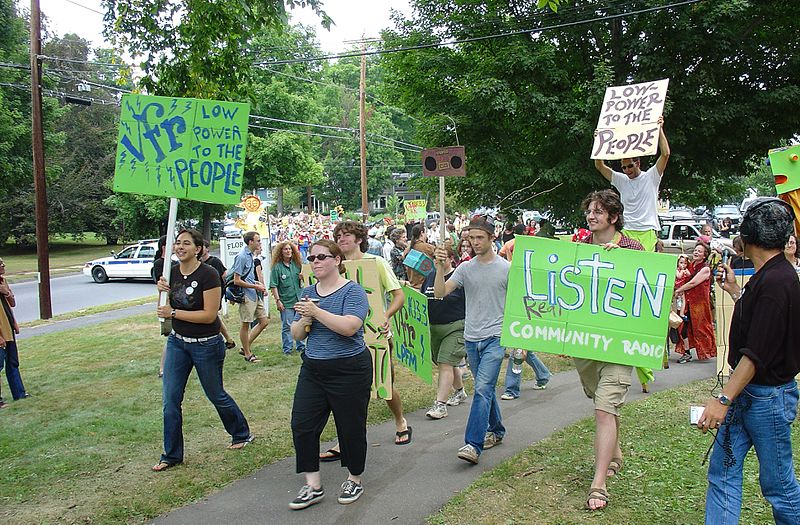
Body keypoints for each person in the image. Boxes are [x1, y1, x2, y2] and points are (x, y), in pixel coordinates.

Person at [700, 198, 800, 524]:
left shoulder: (778, 282)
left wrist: (723, 400)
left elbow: (755, 355)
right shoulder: (767, 276)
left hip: (766, 399)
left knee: (778, 486)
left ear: (750, 233)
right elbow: (761, 326)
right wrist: (734, 292)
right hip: (749, 395)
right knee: (722, 472)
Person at [152, 229, 253, 472]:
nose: (180, 247)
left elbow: (209, 316)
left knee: (215, 393)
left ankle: (241, 433)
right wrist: (162, 293)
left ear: (198, 249)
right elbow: (164, 309)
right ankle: (171, 455)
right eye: (177, 243)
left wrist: (174, 313)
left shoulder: (208, 275)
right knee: (170, 401)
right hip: (177, 343)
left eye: (186, 243)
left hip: (206, 344)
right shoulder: (171, 272)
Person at [573, 190, 644, 510]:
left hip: (619, 345)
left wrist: (624, 260)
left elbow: (648, 291)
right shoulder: (577, 248)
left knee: (603, 409)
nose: (592, 215)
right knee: (602, 403)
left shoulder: (632, 248)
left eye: (599, 211)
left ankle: (598, 484)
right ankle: (615, 452)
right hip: (586, 345)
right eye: (590, 210)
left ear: (613, 217)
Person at [288, 240, 372, 509]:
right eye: (312, 257)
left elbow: (350, 327)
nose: (315, 261)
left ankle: (354, 478)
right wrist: (304, 320)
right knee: (302, 425)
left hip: (349, 368)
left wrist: (317, 312)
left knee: (350, 427)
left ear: (337, 260)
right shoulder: (307, 292)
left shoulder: (353, 291)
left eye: (322, 257)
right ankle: (313, 484)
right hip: (314, 367)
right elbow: (298, 334)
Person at [319, 221, 410, 462]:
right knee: (346, 392)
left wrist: (387, 316)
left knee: (384, 384)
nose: (341, 239)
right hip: (345, 338)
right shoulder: (332, 265)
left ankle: (400, 421)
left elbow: (398, 294)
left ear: (359, 238)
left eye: (346, 235)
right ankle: (345, 440)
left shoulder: (376, 262)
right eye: (338, 235)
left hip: (375, 334)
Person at [434, 215, 510, 465]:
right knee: (484, 390)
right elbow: (440, 293)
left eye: (480, 237)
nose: (474, 242)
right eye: (471, 238)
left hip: (495, 338)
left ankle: (473, 444)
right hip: (471, 338)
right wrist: (438, 268)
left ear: (491, 238)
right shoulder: (465, 268)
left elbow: (519, 305)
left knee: (482, 389)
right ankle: (496, 429)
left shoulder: (506, 269)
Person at [496, 224, 551, 399]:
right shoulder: (510, 267)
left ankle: (512, 389)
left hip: (529, 312)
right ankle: (543, 375)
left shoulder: (537, 271)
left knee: (518, 352)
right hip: (513, 311)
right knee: (525, 351)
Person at [422, 240, 468, 420]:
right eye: (435, 258)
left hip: (455, 327)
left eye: (441, 258)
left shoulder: (458, 278)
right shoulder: (430, 276)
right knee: (446, 362)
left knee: (445, 363)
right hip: (435, 327)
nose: (437, 261)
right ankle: (459, 391)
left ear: (450, 258)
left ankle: (440, 405)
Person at [229, 231, 269, 363]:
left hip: (254, 294)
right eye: (257, 240)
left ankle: (245, 346)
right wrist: (255, 287)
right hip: (246, 295)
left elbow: (249, 276)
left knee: (264, 321)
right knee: (246, 324)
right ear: (250, 242)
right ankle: (247, 354)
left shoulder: (251, 255)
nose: (259, 243)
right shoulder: (241, 257)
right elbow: (237, 280)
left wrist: (257, 284)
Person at [674, 242, 717, 363]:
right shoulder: (690, 265)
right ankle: (687, 352)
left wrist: (679, 290)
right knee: (683, 327)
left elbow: (693, 282)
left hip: (699, 304)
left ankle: (706, 351)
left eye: (699, 251)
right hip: (686, 302)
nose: (696, 252)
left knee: (701, 328)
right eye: (695, 250)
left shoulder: (705, 269)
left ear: (705, 255)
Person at [0, 257, 28, 407]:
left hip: (8, 329)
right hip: (0, 333)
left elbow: (12, 303)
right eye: (0, 263)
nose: (3, 265)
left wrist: (6, 293)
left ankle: (19, 393)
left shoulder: (3, 281)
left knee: (13, 363)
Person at [270, 241, 306, 355]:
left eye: (290, 249)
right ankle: (288, 349)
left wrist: (303, 276)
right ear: (281, 252)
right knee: (287, 325)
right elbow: (273, 285)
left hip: (299, 299)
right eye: (285, 249)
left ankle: (301, 346)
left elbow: (308, 278)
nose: (288, 251)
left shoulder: (297, 264)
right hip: (286, 301)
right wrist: (278, 301)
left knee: (301, 323)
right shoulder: (277, 267)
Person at [200, 240, 236, 350]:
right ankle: (228, 340)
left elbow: (225, 276)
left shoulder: (215, 261)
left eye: (203, 247)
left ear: (207, 249)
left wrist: (228, 292)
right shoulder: (198, 263)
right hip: (202, 294)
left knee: (214, 316)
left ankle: (225, 340)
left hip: (216, 294)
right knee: (214, 317)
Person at [403, 224, 435, 288]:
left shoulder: (407, 250)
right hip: (425, 286)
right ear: (422, 233)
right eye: (425, 232)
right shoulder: (428, 247)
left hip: (412, 286)